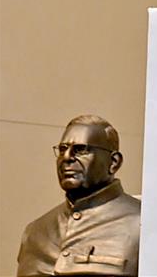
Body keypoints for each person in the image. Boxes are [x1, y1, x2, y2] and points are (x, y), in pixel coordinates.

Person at [17, 115, 140, 276]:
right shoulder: (35, 232)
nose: (66, 157)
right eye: (62, 149)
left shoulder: (142, 223)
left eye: (81, 149)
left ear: (113, 162)